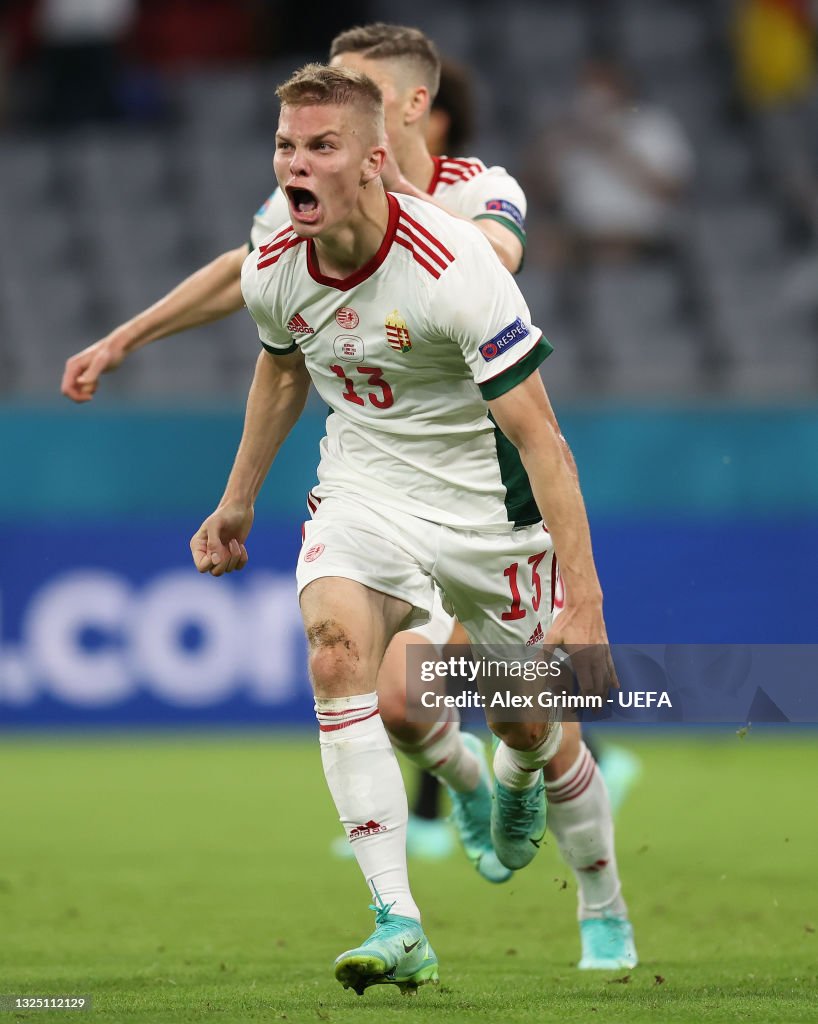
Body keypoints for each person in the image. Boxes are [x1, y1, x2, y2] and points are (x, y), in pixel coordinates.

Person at [61, 24, 637, 973]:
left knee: (529, 721)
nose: (295, 159)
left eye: (325, 134)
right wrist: (234, 491)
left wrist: (587, 603)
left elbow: (536, 416)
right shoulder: (284, 248)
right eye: (286, 142)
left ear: (399, 116)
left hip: (487, 506)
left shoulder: (468, 232)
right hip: (367, 483)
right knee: (346, 665)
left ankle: (550, 827)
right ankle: (397, 923)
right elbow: (273, 348)